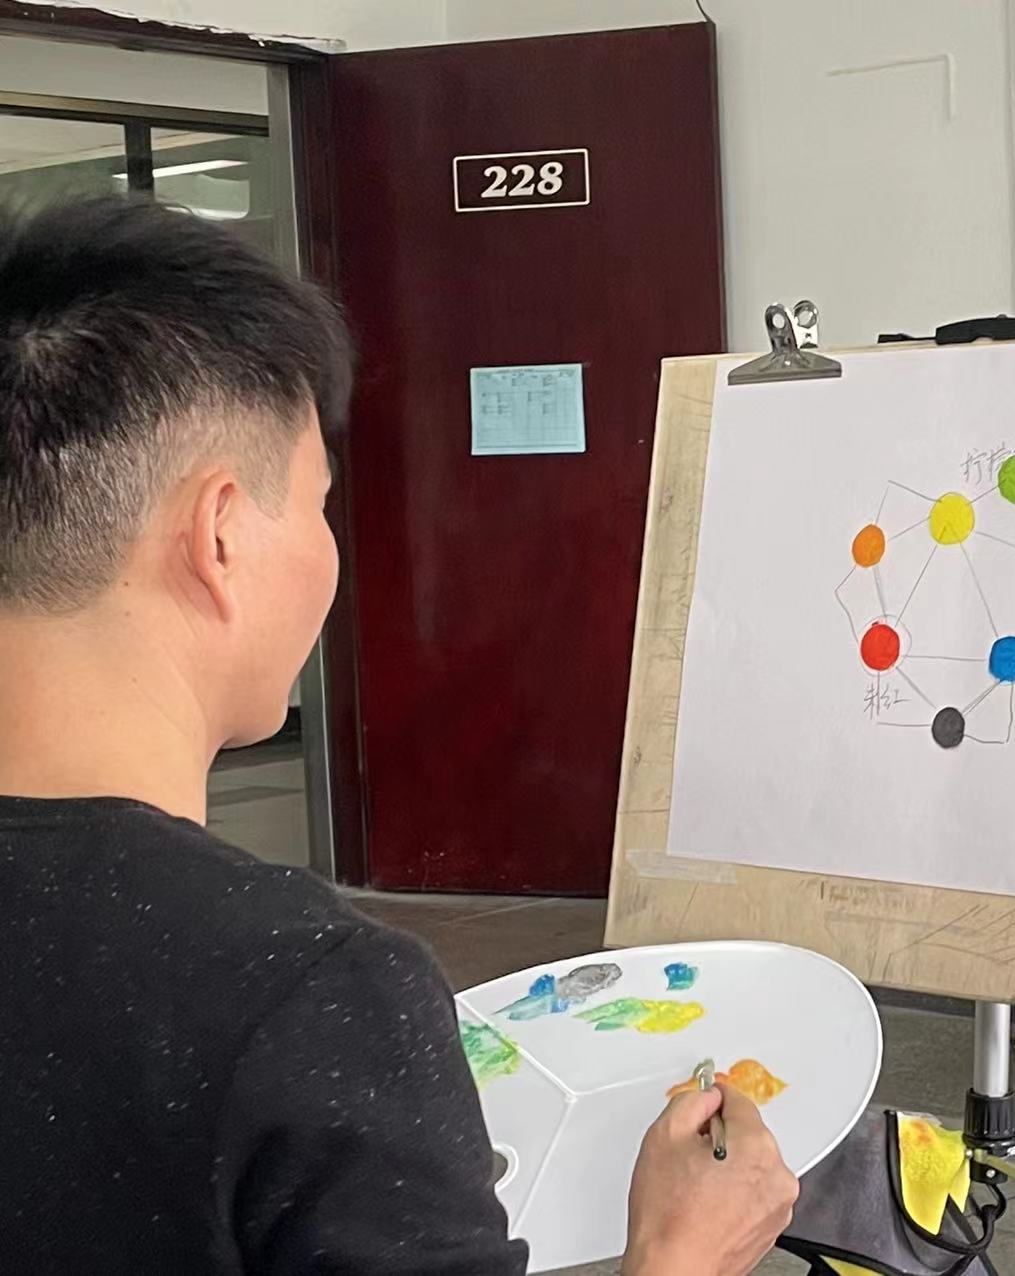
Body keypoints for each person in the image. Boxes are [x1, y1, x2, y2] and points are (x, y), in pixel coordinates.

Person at [0, 195, 797, 1275]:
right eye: (319, 504)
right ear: (220, 535)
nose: (329, 550)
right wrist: (681, 1254)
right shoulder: (304, 992)